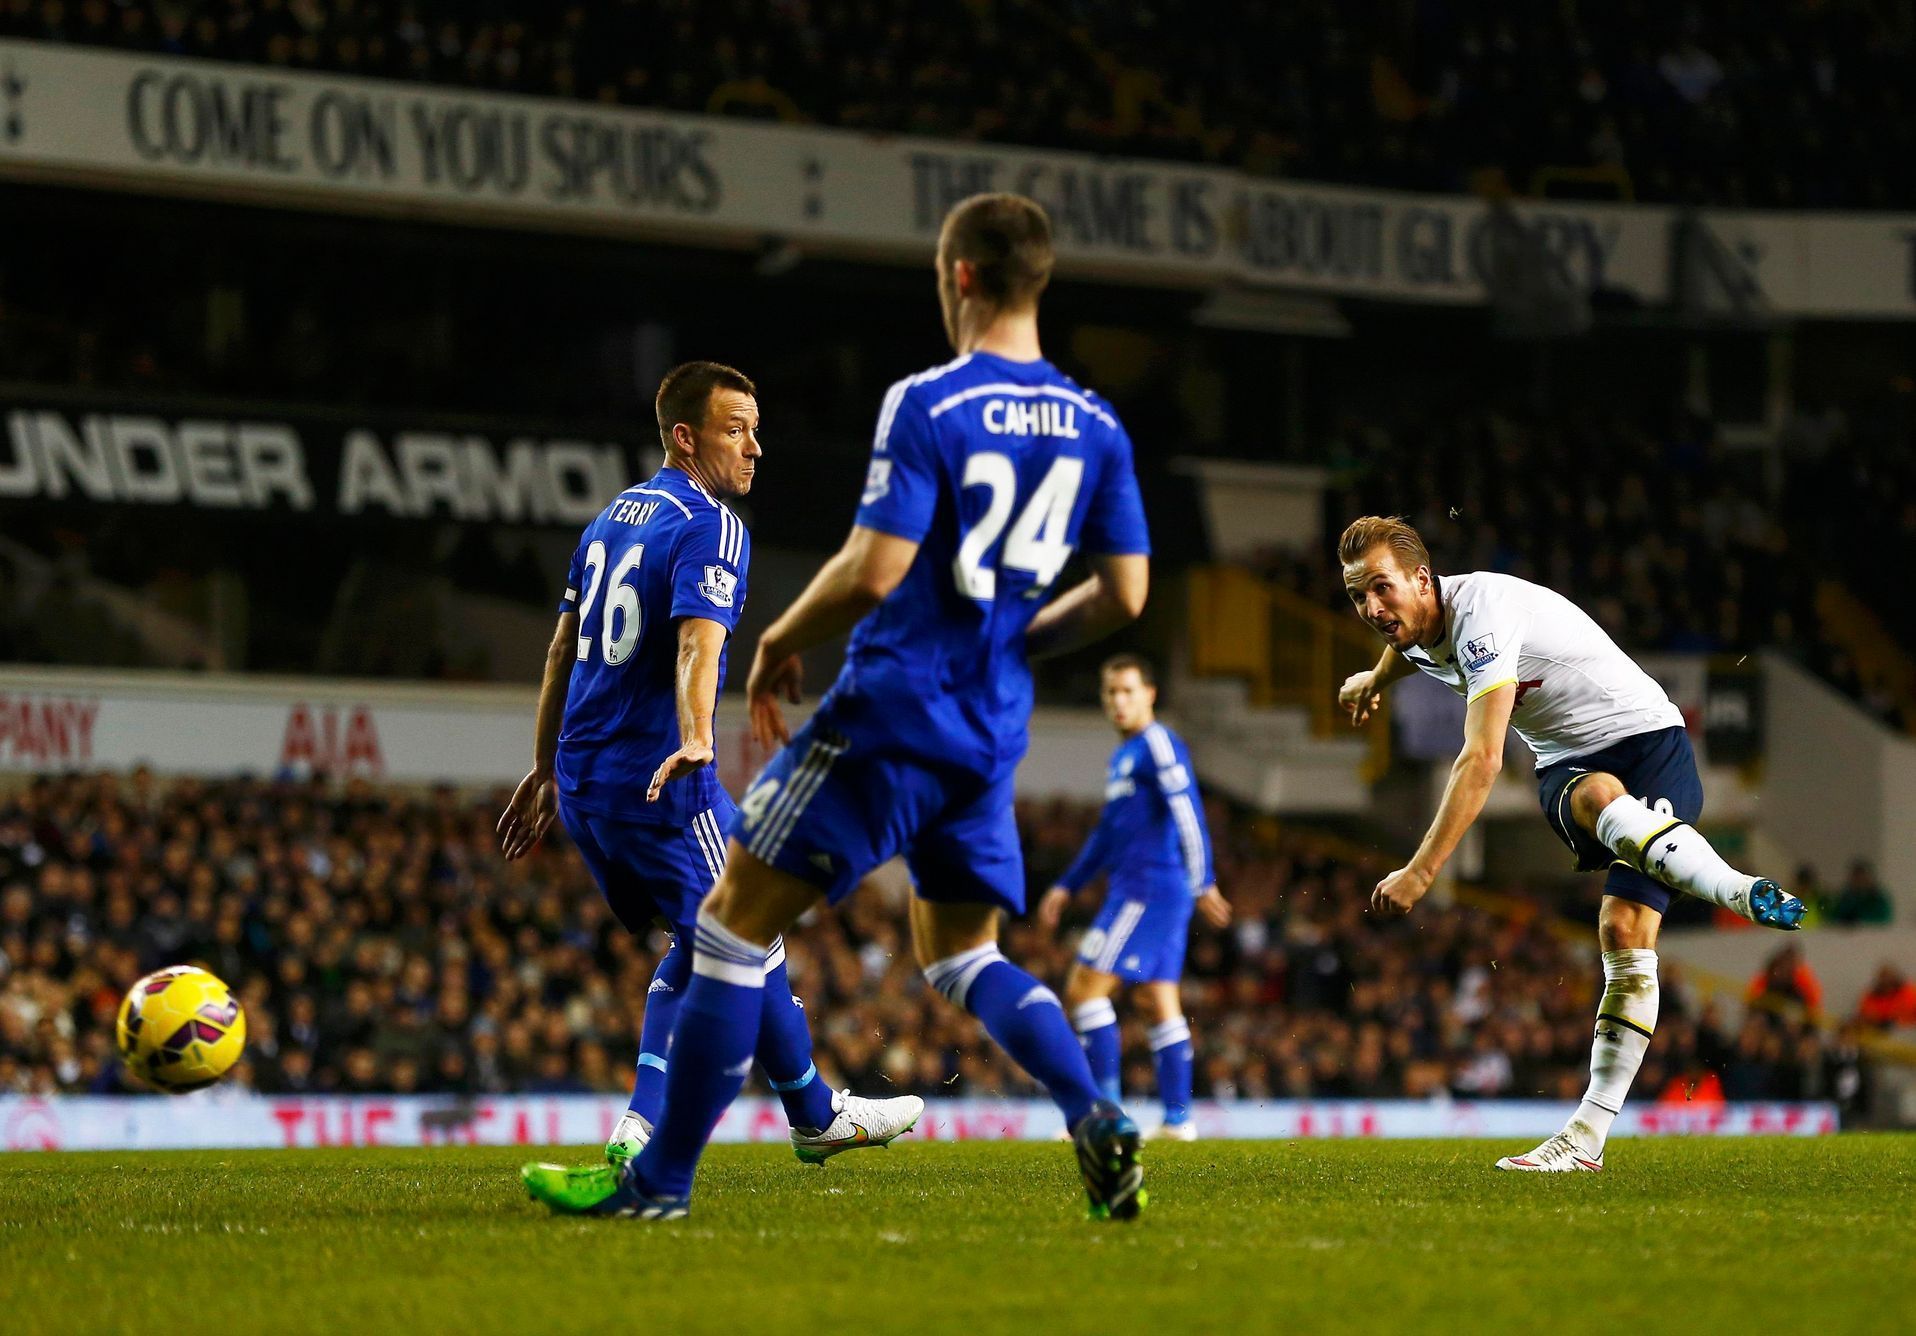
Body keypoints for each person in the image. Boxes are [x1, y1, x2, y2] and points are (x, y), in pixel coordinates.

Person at [523, 192, 1153, 1222]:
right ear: (1037, 279)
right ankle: (1092, 1111)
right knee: (964, 953)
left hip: (893, 709)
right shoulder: (1098, 423)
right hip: (991, 732)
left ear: (956, 277)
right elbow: (1126, 596)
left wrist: (779, 641)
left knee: (729, 931)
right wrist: (1015, 639)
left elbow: (872, 569)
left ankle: (663, 1182)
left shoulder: (929, 403)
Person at [498, 360, 922, 1175]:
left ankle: (687, 1120)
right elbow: (699, 640)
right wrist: (698, 736)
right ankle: (789, 1116)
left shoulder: (609, 520)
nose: (755, 447)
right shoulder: (710, 522)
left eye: (756, 429)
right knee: (746, 931)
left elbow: (561, 647)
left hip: (589, 787)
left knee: (712, 942)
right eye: (737, 430)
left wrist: (545, 767)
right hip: (664, 784)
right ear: (686, 438)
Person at [1334, 515, 1804, 1173]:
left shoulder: (1482, 616)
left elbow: (1482, 759)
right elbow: (1406, 648)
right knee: (1597, 806)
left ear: (1422, 577)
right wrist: (1372, 680)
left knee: (1623, 924)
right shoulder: (1412, 623)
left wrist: (1421, 871)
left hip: (1653, 745)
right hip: (1568, 765)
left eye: (1380, 589)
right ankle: (1731, 889)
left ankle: (1586, 1134)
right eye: (1358, 595)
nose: (1372, 608)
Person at [1035, 653, 1230, 1139]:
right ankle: (1178, 1122)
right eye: (1110, 692)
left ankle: (1102, 1115)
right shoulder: (1123, 757)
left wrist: (1203, 877)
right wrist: (1067, 884)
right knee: (1156, 1000)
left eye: (1127, 690)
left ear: (1150, 695)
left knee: (1083, 988)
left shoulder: (1157, 744)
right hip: (1149, 889)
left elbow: (1187, 809)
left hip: (1148, 889)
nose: (1118, 701)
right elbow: (1107, 833)